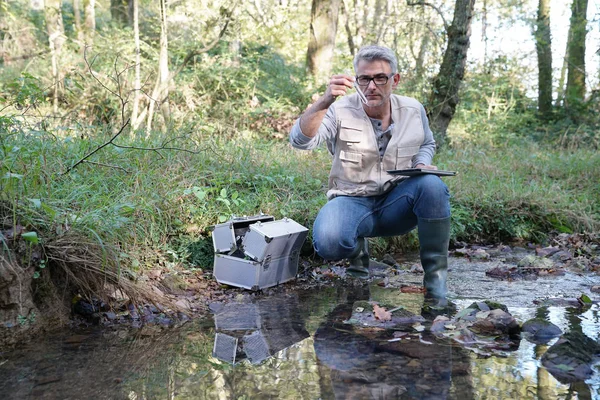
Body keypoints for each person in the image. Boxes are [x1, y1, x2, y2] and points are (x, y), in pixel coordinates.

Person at [289, 45, 451, 299]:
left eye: (380, 78)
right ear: (356, 80)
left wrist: (421, 163)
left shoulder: (414, 109)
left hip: (397, 202)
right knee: (329, 240)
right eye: (364, 79)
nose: (371, 86)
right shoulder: (338, 110)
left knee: (432, 184)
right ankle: (358, 257)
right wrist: (325, 100)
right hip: (350, 200)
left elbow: (427, 143)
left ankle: (436, 282)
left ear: (394, 80)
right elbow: (300, 142)